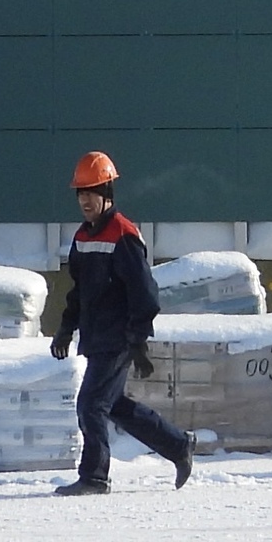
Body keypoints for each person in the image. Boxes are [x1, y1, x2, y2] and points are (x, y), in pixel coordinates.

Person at [50, 151, 194, 494]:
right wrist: (66, 328)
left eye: (92, 192)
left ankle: (94, 477)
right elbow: (79, 291)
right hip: (96, 336)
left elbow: (145, 293)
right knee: (112, 405)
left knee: (90, 405)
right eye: (81, 193)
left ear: (107, 194)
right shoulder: (83, 238)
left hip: (118, 338)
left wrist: (138, 340)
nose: (85, 200)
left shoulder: (123, 234)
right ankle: (178, 445)